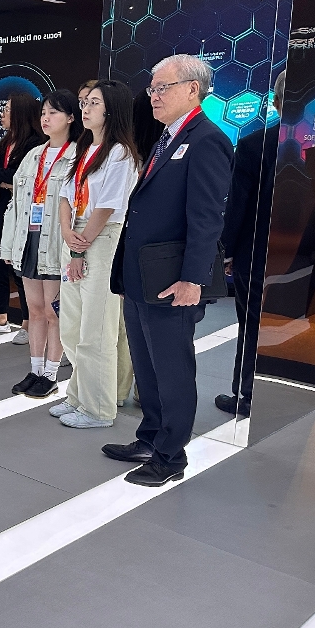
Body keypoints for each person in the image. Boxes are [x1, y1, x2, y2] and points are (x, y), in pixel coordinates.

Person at [103, 54, 233, 487]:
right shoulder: (167, 137)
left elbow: (206, 218)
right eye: (152, 88)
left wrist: (193, 279)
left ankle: (171, 455)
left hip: (172, 277)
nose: (153, 96)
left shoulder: (207, 139)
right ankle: (151, 438)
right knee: (146, 363)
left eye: (162, 88)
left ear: (192, 89)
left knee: (172, 367)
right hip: (142, 274)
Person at [52, 80, 140, 428]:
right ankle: (79, 396)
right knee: (72, 326)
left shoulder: (120, 154)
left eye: (94, 103)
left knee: (96, 329)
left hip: (100, 239)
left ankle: (99, 409)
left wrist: (79, 247)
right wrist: (66, 233)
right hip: (75, 235)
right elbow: (64, 196)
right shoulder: (82, 148)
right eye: (84, 102)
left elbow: (106, 207)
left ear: (111, 110)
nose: (85, 108)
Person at [1, 91, 80, 398]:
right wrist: (9, 246)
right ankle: (34, 371)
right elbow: (15, 205)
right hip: (29, 239)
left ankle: (50, 374)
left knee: (53, 311)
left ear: (71, 118)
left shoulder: (77, 156)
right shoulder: (34, 155)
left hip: (56, 242)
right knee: (34, 309)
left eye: (54, 113)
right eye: (44, 113)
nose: (46, 118)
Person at [216, 70, 285, 417]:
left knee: (251, 324)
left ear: (275, 101)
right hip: (303, 254)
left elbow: (238, 206)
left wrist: (227, 251)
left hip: (255, 253)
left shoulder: (255, 143)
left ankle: (245, 394)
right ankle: (280, 391)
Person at [0, 92, 40, 341]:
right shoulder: (4, 143)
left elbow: (20, 178)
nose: (2, 114)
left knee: (18, 269)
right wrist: (5, 180)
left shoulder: (35, 144)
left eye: (7, 110)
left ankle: (27, 323)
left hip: (17, 213)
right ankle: (1, 317)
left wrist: (4, 179)